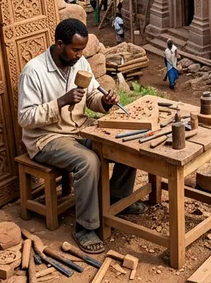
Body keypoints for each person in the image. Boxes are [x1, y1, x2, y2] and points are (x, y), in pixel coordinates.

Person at [17, 18, 145, 254]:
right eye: (75, 50)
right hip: (47, 137)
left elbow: (91, 98)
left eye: (82, 50)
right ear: (59, 44)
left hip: (79, 128)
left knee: (123, 140)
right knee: (88, 161)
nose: (79, 55)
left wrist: (104, 102)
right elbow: (25, 118)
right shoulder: (33, 71)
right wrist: (60, 102)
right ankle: (85, 227)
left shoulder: (80, 63)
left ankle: (117, 197)